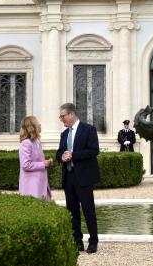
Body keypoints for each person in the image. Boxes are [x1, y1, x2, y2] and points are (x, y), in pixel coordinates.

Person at [56, 103, 100, 254]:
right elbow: (59, 153)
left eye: (63, 116)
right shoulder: (64, 134)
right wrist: (62, 156)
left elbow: (94, 151)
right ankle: (77, 241)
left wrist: (73, 155)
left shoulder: (89, 130)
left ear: (72, 114)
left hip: (84, 178)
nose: (61, 119)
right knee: (72, 211)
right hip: (69, 177)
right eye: (60, 116)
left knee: (88, 210)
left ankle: (93, 241)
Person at [18, 115, 53, 200]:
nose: (40, 125)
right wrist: (43, 164)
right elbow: (26, 165)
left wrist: (46, 162)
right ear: (32, 127)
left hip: (40, 183)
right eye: (38, 123)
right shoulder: (26, 143)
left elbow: (36, 160)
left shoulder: (36, 142)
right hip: (31, 186)